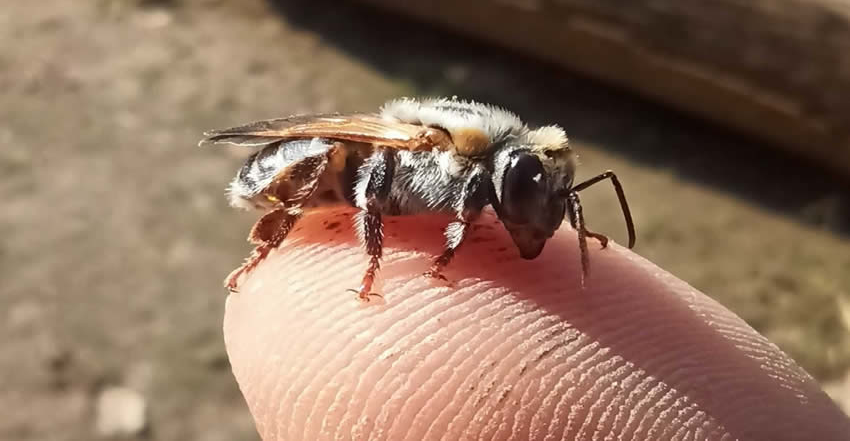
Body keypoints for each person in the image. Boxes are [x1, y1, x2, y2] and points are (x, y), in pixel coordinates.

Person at [223, 208, 849, 440]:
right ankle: (273, 248)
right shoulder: (447, 161)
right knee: (355, 178)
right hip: (321, 174)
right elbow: (371, 182)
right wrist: (395, 261)